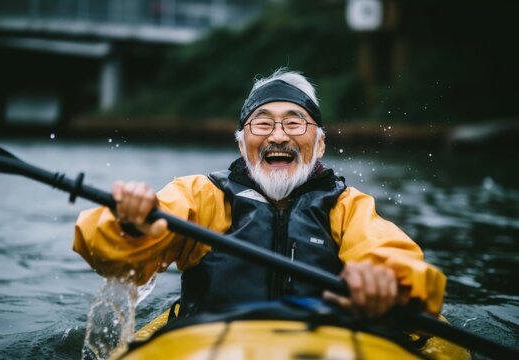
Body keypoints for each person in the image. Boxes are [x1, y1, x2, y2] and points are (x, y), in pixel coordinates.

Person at [74, 69, 446, 319]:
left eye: (294, 122)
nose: (279, 136)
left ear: (319, 145)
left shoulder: (347, 207)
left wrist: (386, 282)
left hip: (318, 346)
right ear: (242, 144)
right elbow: (111, 255)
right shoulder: (201, 195)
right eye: (263, 123)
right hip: (211, 344)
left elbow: (391, 255)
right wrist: (132, 224)